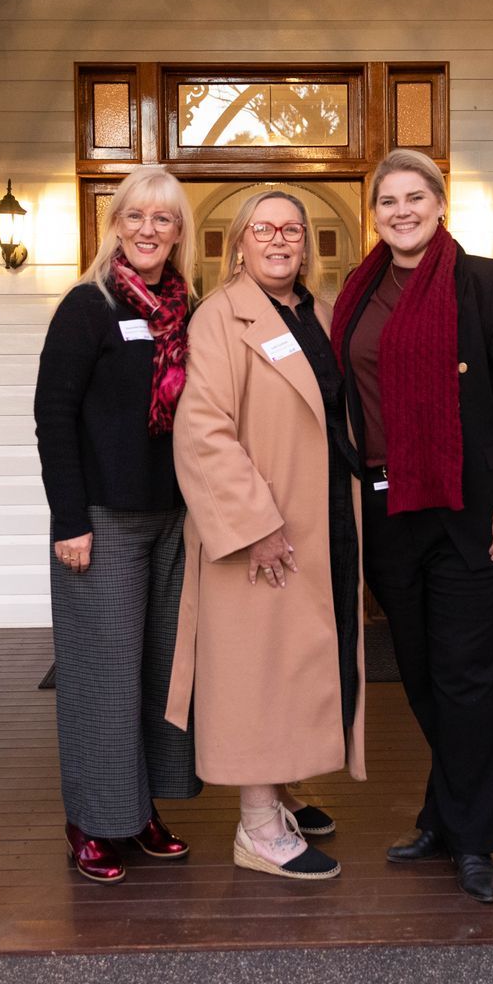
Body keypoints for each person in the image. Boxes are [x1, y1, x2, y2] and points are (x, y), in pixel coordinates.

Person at [330, 148, 493, 905]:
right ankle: (445, 816)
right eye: (387, 201)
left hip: (477, 511)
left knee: (472, 681)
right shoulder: (356, 295)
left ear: (441, 204)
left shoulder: (490, 284)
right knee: (422, 676)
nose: (401, 211)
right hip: (390, 509)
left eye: (415, 197)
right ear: (374, 213)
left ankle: (473, 840)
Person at [168, 190, 363, 881]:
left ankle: (278, 792)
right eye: (264, 229)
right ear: (240, 244)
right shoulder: (221, 318)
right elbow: (202, 433)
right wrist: (255, 525)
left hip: (322, 515)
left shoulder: (318, 312)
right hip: (262, 524)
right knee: (255, 671)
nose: (280, 240)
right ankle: (256, 829)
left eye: (292, 229)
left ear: (306, 245)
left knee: (297, 661)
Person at [34, 165, 201, 885]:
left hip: (174, 520)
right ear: (115, 225)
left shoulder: (190, 310)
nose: (147, 230)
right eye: (135, 215)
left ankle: (138, 811)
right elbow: (53, 417)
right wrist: (69, 519)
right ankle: (92, 821)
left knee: (160, 676)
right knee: (103, 678)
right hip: (101, 522)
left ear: (179, 232)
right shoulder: (88, 306)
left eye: (163, 219)